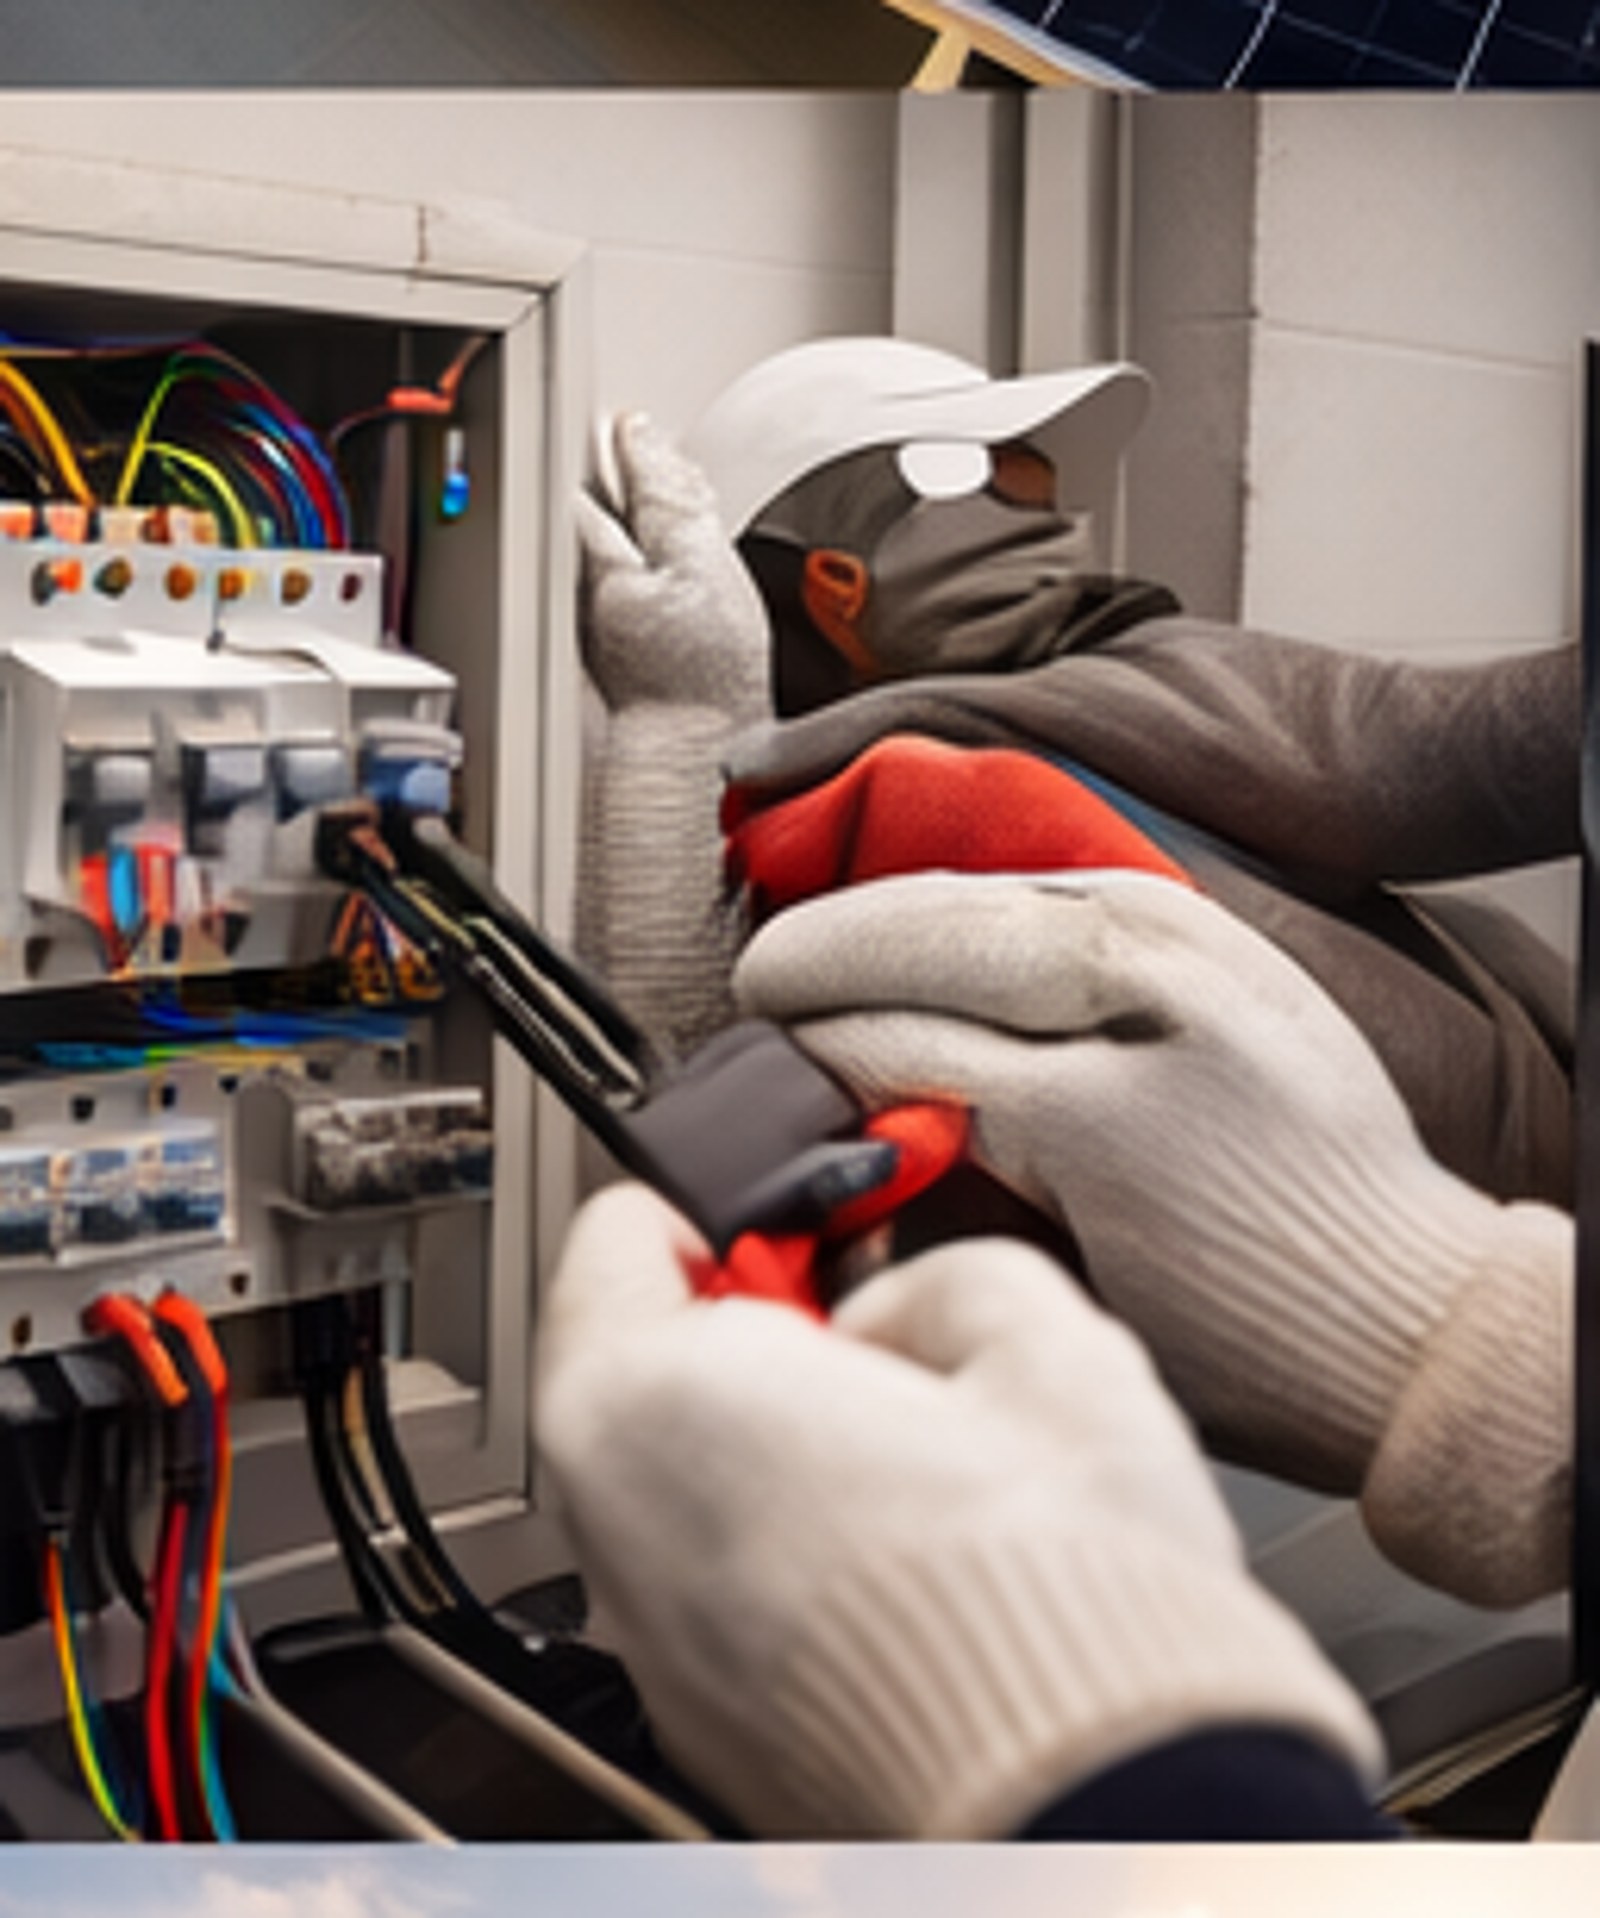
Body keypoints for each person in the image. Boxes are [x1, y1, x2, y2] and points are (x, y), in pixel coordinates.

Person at [552, 338, 1577, 1837]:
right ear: (835, 584)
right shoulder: (907, 805)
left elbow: (1441, 753)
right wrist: (675, 731)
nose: (1061, 538)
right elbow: (723, 1092)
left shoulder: (1121, 697)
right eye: (1005, 499)